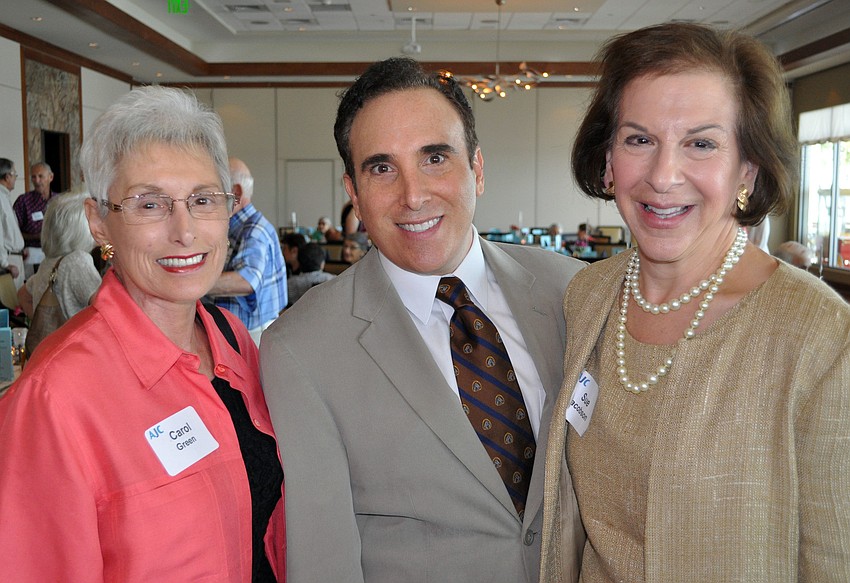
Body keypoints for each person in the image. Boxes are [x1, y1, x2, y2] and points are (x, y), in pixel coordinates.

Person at [540, 23, 850, 582]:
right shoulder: (589, 296)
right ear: (608, 164)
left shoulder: (819, 335)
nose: (663, 175)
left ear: (747, 171)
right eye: (639, 139)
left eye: (701, 144)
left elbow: (835, 562)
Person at [261, 57, 585, 583]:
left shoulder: (573, 290)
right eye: (382, 167)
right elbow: (323, 558)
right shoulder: (301, 349)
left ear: (477, 169)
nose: (413, 196)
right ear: (354, 193)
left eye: (435, 158)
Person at [0, 86, 285, 581]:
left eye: (202, 199)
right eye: (150, 205)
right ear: (100, 223)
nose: (185, 231)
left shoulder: (232, 340)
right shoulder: (54, 399)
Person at [208, 157, 287, 346]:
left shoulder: (253, 231)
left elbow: (245, 280)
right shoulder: (239, 227)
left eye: (213, 190)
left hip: (252, 335)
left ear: (235, 193)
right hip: (246, 330)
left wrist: (191, 281)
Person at [17, 190, 101, 325]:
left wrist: (46, 326)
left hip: (50, 345)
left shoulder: (49, 262)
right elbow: (106, 307)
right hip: (73, 345)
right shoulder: (77, 261)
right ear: (80, 227)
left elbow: (22, 294)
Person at [13, 161, 57, 276]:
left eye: (40, 176)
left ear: (50, 177)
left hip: (55, 254)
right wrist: (36, 236)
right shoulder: (23, 201)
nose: (37, 181)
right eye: (33, 177)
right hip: (31, 254)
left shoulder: (59, 201)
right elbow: (13, 232)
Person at [0, 158, 24, 287]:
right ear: (7, 176)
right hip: (9, 261)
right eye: (15, 174)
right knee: (13, 305)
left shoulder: (5, 196)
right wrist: (5, 264)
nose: (15, 178)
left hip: (15, 257)